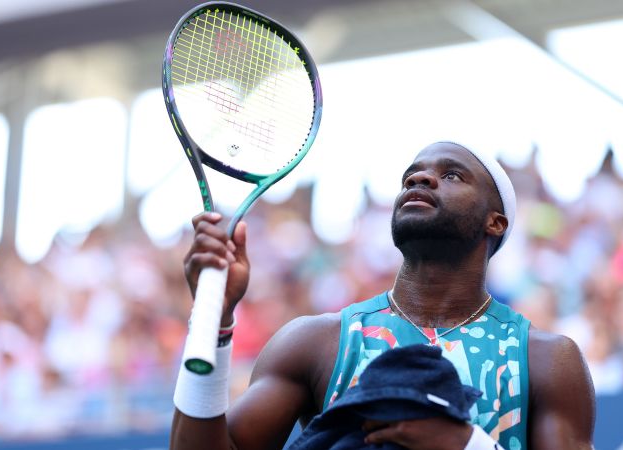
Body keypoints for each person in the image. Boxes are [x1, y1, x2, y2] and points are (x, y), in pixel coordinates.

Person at [171, 141, 596, 449]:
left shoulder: (546, 359)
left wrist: (464, 445)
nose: (420, 178)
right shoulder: (315, 342)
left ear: (496, 222)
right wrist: (212, 322)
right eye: (411, 174)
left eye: (451, 175)